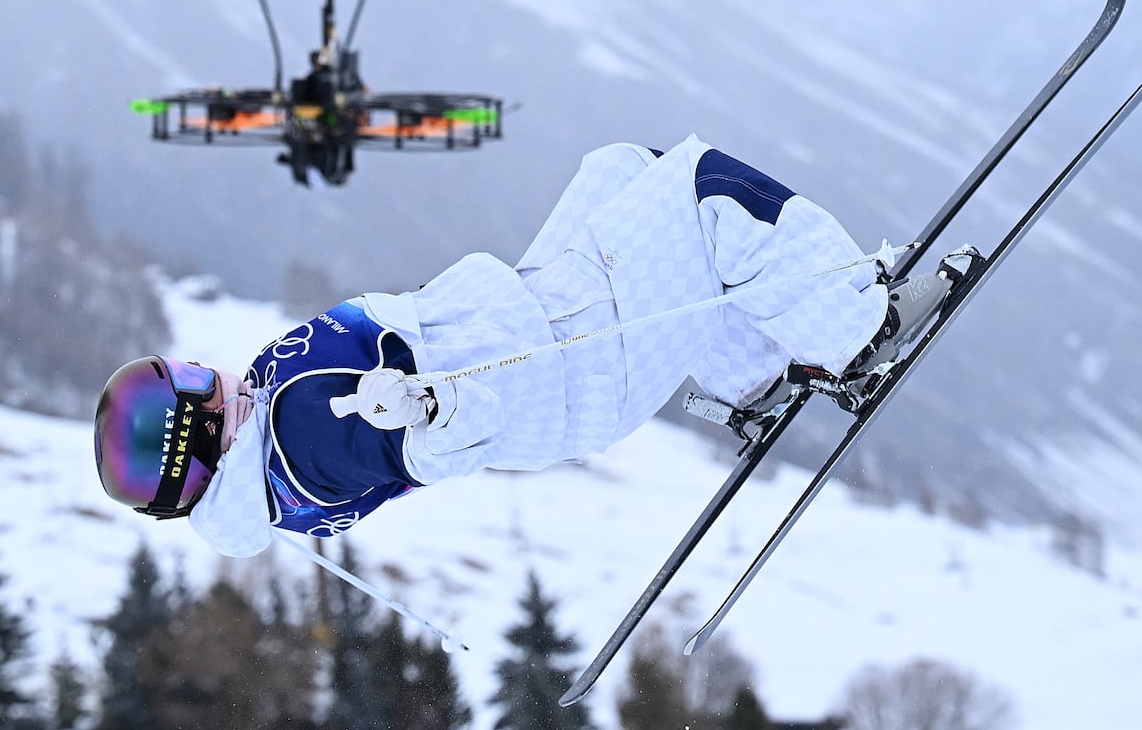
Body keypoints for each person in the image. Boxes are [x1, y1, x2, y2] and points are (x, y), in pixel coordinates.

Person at [93, 135, 941, 557]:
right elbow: (433, 450)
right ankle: (860, 333)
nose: (219, 378)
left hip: (538, 315)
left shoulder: (276, 425)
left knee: (619, 166)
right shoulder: (306, 437)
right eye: (201, 392)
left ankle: (754, 374)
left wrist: (425, 392)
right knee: (703, 189)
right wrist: (429, 407)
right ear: (201, 445)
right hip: (575, 367)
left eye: (198, 368)